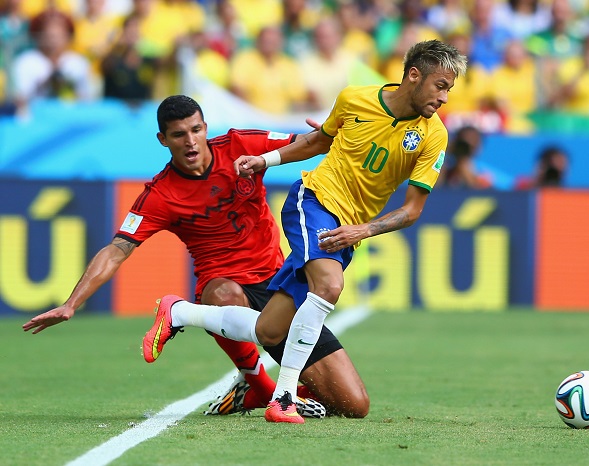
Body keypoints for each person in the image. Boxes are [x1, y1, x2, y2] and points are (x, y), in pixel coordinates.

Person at [143, 39, 468, 424]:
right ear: (414, 76)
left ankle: (180, 312)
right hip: (314, 201)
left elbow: (412, 210)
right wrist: (264, 159)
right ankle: (283, 399)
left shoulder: (434, 135)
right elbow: (316, 142)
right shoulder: (355, 99)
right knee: (328, 286)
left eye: (449, 88)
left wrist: (360, 230)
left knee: (276, 335)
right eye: (441, 86)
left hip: (347, 230)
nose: (445, 97)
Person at [22, 94, 369, 419]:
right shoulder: (160, 194)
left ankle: (259, 392)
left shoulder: (240, 144)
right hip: (225, 285)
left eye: (195, 130)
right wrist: (72, 303)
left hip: (278, 283)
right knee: (223, 295)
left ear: (205, 127)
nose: (189, 141)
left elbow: (304, 144)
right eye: (178, 134)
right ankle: (259, 383)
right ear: (163, 140)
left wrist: (327, 132)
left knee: (353, 405)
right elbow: (116, 250)